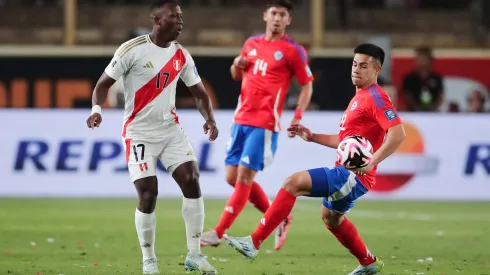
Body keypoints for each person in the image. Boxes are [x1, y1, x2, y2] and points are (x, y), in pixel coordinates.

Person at [223, 44, 407, 275]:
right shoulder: (360, 96)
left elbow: (398, 133)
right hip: (352, 175)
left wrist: (372, 162)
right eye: (354, 64)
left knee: (293, 183)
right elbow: (344, 140)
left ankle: (253, 242)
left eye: (363, 66)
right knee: (331, 219)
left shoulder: (377, 98)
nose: (356, 70)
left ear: (377, 69)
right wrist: (312, 137)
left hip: (351, 175)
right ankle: (368, 262)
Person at [85, 1, 219, 274]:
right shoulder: (132, 50)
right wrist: (96, 110)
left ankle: (194, 255)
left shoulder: (181, 55)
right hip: (139, 133)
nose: (180, 21)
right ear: (157, 19)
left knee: (192, 180)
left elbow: (200, 94)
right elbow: (102, 85)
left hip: (170, 130)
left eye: (181, 17)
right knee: (148, 194)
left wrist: (210, 119)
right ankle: (149, 260)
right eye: (174, 16)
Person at [199, 0, 313, 251]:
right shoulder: (251, 44)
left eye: (282, 15)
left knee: (243, 177)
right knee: (232, 178)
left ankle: (218, 232)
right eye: (273, 13)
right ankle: (280, 216)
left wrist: (298, 115)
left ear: (288, 20)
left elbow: (307, 84)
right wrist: (235, 64)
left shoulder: (293, 50)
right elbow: (237, 75)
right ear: (265, 15)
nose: (277, 18)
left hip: (265, 122)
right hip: (241, 119)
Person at [402, 46, 444, 112]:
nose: (423, 63)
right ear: (416, 61)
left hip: (434, 113)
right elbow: (407, 96)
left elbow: (440, 95)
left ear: (431, 61)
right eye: (420, 59)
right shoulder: (409, 78)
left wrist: (433, 109)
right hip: (413, 113)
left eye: (425, 59)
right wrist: (417, 109)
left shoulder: (437, 77)